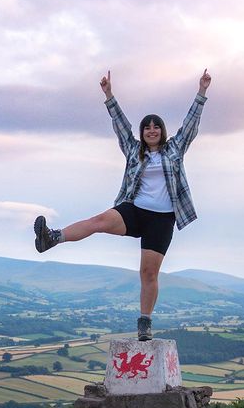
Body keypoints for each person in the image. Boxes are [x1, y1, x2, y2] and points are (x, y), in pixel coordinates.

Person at [34, 69, 212, 341]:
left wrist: (201, 92)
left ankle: (145, 322)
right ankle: (52, 238)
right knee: (99, 221)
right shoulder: (133, 150)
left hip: (162, 219)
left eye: (156, 126)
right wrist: (108, 95)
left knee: (148, 273)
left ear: (162, 132)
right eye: (146, 127)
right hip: (134, 210)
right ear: (142, 133)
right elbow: (119, 124)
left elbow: (190, 125)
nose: (151, 130)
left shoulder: (174, 150)